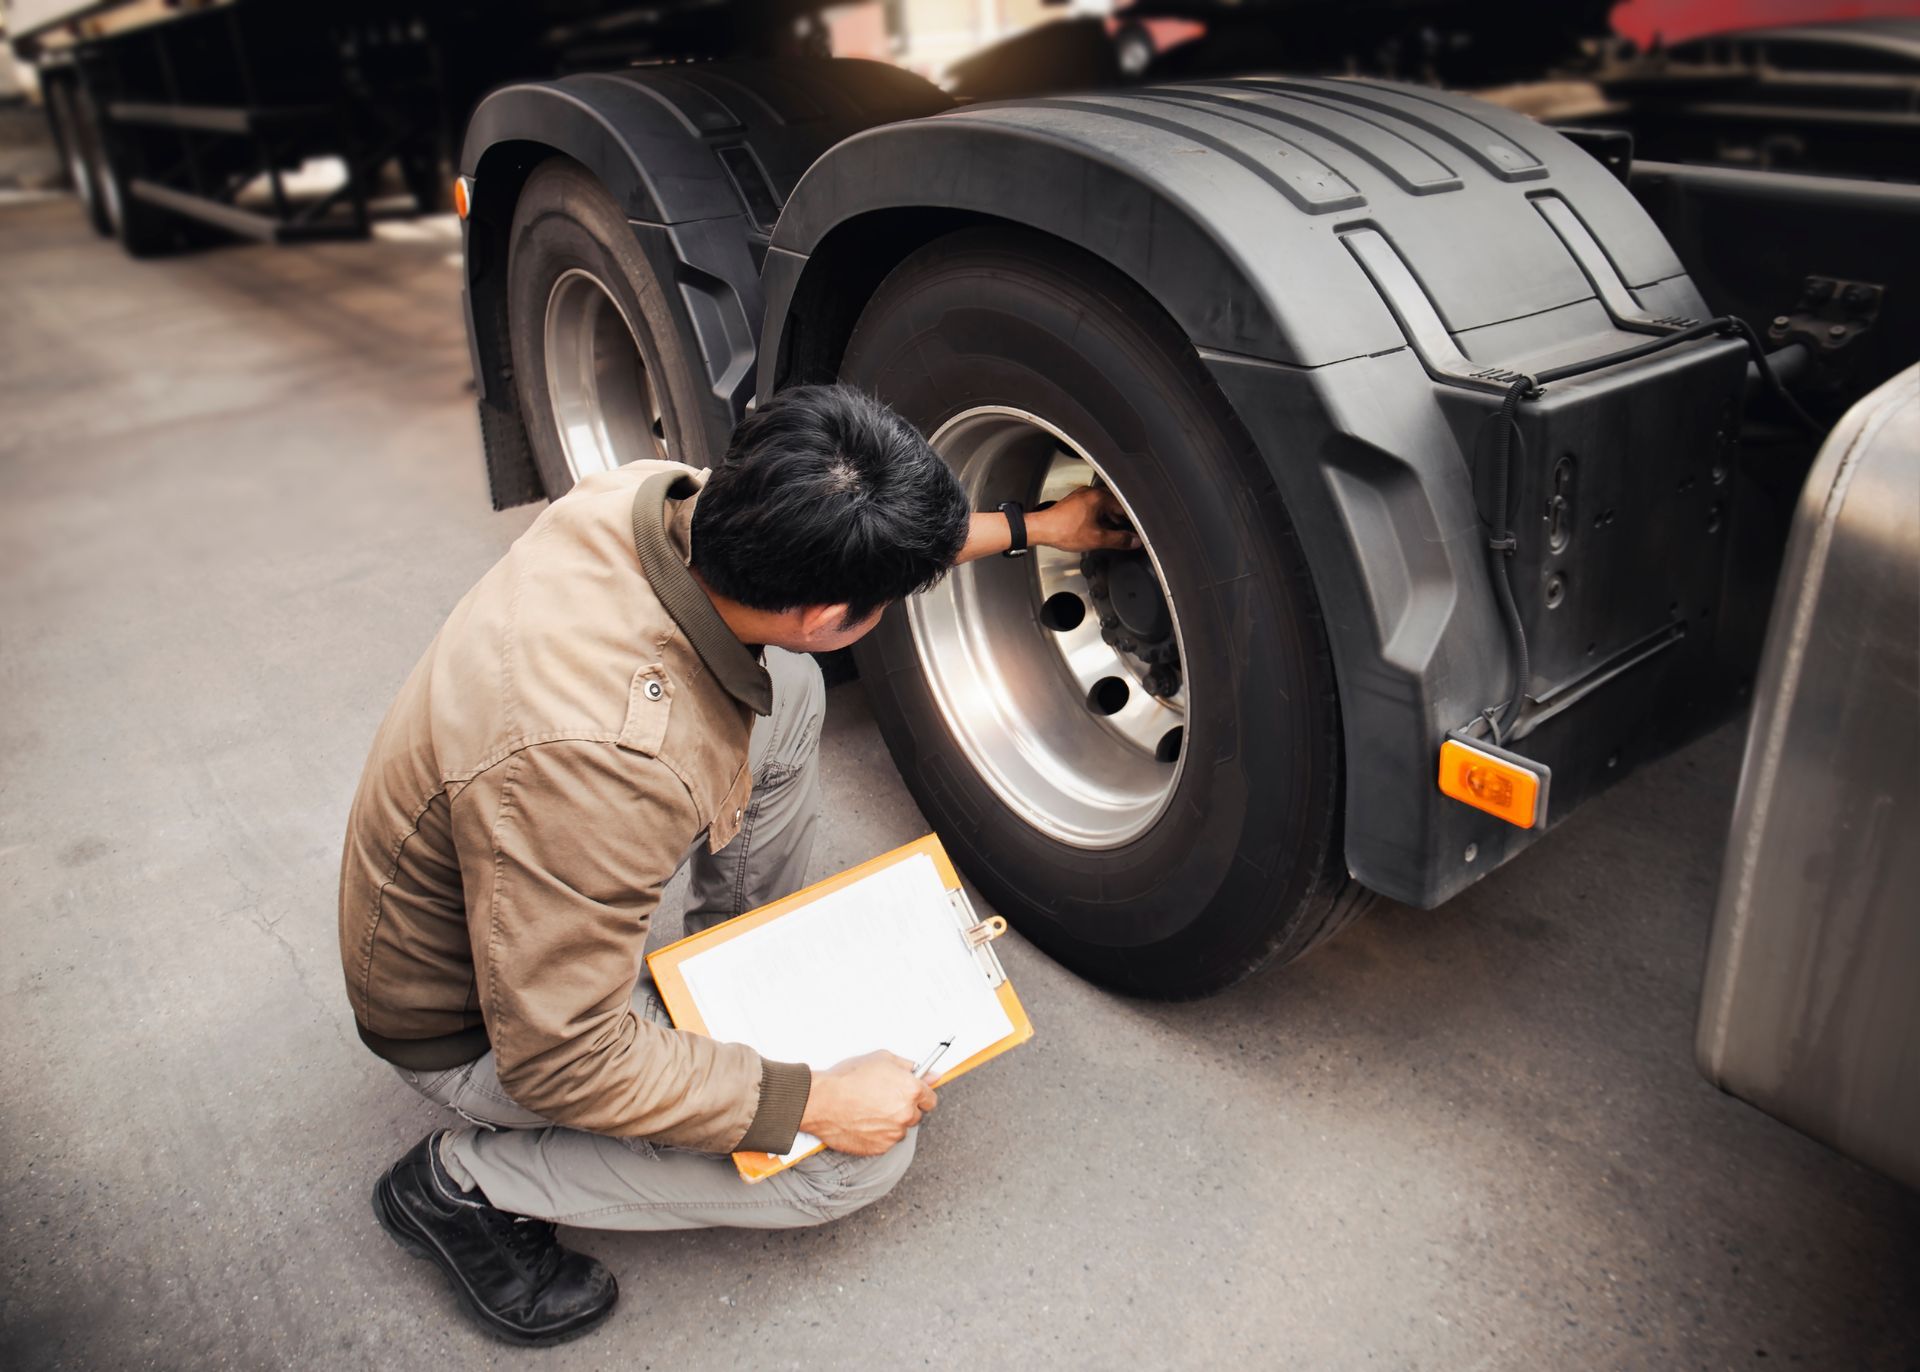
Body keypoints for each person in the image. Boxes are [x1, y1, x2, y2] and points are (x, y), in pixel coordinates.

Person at [338, 383, 1136, 1345]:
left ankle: (732, 964)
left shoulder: (649, 500)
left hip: (510, 880)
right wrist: (820, 1101)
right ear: (832, 612)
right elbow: (558, 1059)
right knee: (854, 1163)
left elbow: (857, 551)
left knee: (787, 689)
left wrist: (1038, 526)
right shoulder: (608, 761)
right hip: (473, 1029)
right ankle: (465, 1185)